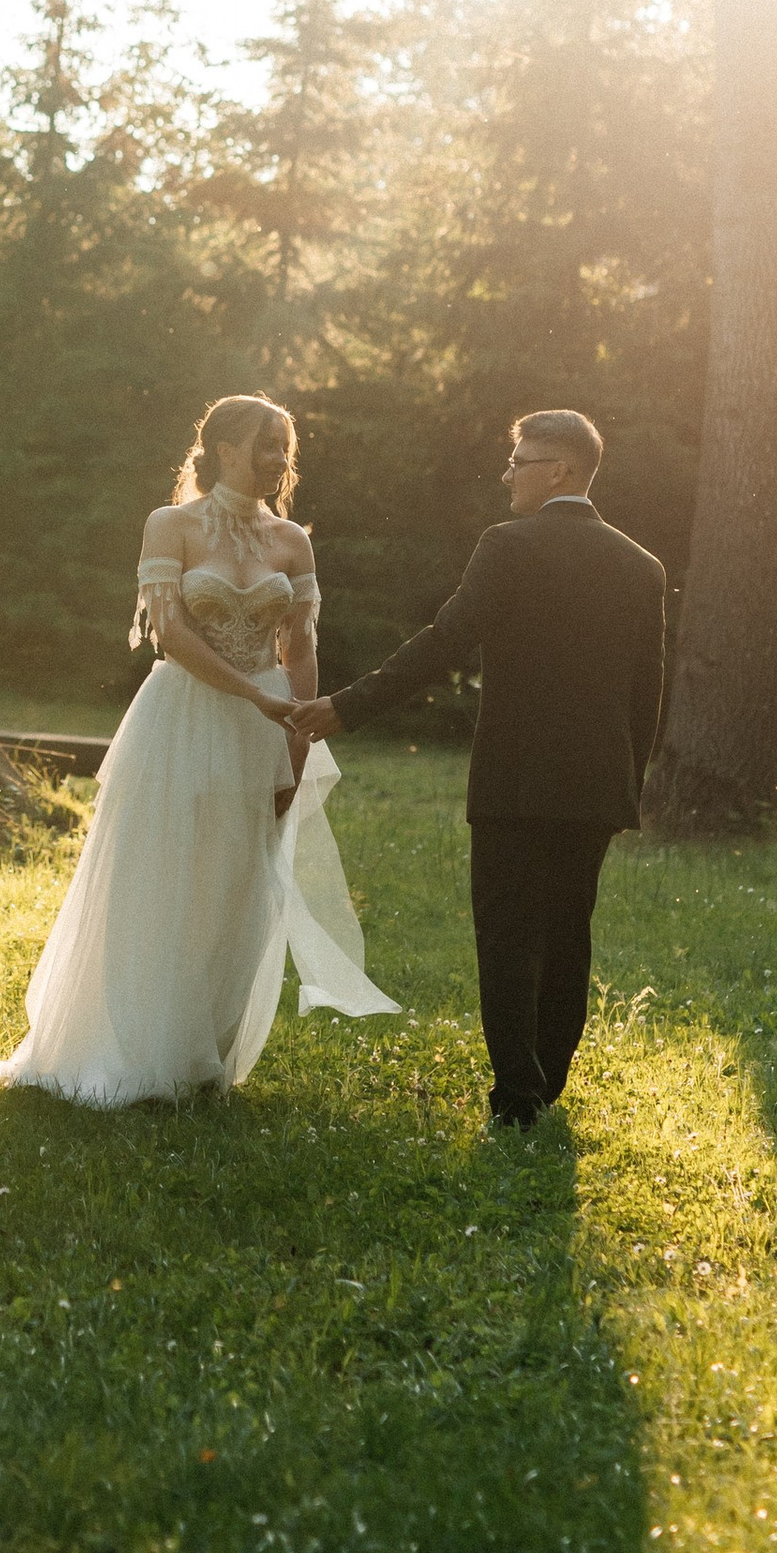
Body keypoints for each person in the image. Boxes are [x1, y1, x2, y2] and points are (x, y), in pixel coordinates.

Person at [0, 392, 399, 1105]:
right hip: (183, 715)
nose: (279, 460)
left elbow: (300, 646)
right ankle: (137, 1046)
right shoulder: (170, 525)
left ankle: (201, 1050)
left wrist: (297, 736)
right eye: (267, 445)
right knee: (163, 871)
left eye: (285, 448)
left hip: (265, 728)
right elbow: (171, 634)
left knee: (236, 882)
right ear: (222, 448)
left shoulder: (291, 541)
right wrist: (254, 694)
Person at [289, 408, 664, 1129]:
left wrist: (348, 706)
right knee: (566, 935)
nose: (507, 474)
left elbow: (445, 639)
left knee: (506, 934)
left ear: (559, 469)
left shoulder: (508, 545)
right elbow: (646, 694)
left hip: (515, 782)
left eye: (519, 460)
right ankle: (544, 1086)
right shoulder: (640, 565)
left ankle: (517, 1095)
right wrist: (627, 789)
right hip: (595, 787)